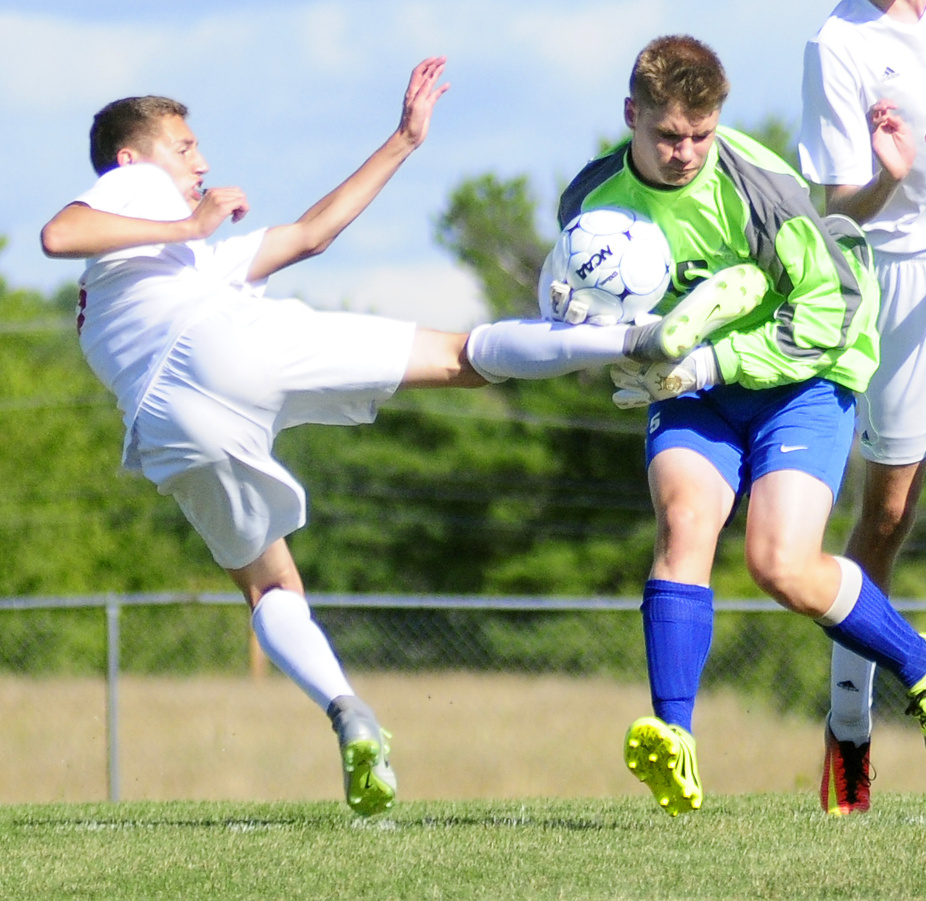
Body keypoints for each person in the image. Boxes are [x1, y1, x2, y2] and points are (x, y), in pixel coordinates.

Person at [39, 55, 729, 816]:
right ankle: (639, 340)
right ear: (132, 158)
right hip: (211, 337)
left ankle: (346, 711)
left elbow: (309, 234)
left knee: (271, 586)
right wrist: (188, 220)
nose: (200, 161)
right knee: (460, 355)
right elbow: (59, 230)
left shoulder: (163, 266)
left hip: (166, 422)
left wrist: (402, 141)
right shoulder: (136, 191)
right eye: (183, 146)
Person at [467, 32, 926, 816]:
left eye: (698, 136)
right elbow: (586, 307)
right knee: (683, 523)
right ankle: (673, 740)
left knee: (780, 563)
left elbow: (834, 307)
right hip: (691, 386)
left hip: (800, 376)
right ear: (630, 115)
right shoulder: (590, 199)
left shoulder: (759, 186)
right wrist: (627, 347)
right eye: (667, 135)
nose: (683, 153)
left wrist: (708, 360)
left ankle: (925, 665)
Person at [798, 0, 926, 815]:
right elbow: (832, 209)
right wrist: (885, 174)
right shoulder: (837, 44)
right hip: (899, 276)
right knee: (885, 517)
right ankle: (849, 726)